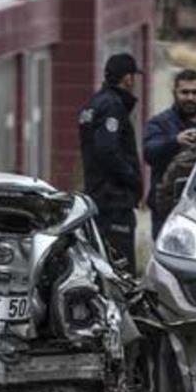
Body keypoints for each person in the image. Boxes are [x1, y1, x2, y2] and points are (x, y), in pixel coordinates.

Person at [79, 52, 144, 271]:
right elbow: (107, 150)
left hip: (97, 196)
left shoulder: (94, 104)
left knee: (101, 265)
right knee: (121, 270)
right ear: (127, 78)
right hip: (113, 201)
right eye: (133, 77)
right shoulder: (112, 106)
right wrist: (133, 179)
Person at [144, 69, 196, 239]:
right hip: (166, 208)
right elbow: (149, 152)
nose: (190, 98)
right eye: (184, 92)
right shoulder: (160, 123)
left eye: (195, 92)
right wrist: (174, 141)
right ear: (175, 93)